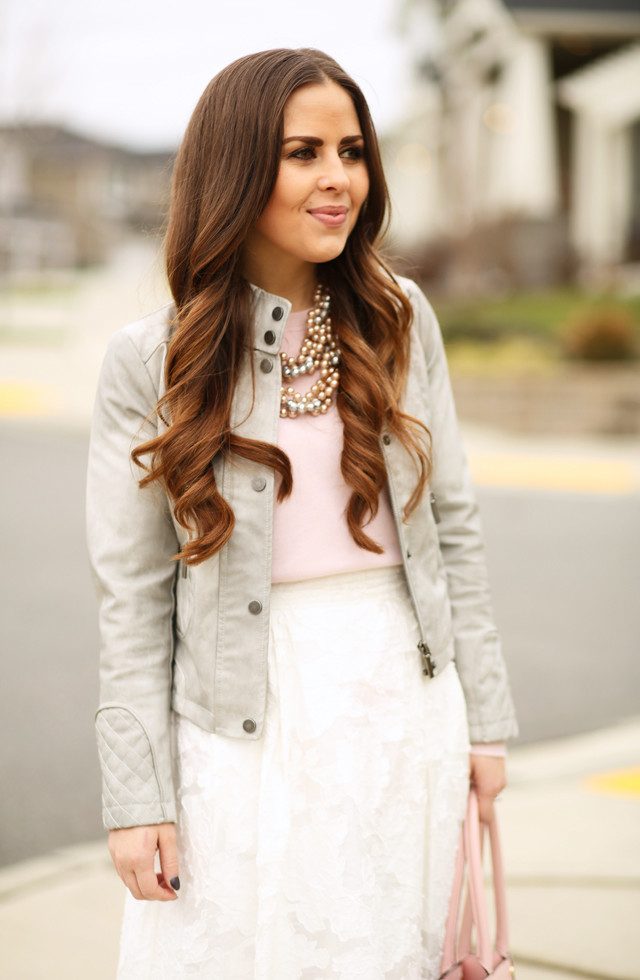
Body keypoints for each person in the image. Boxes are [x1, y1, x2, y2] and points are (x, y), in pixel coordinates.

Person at [87, 47, 517, 979]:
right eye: (304, 153)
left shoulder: (400, 318)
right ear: (238, 170)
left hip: (401, 705)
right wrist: (136, 795)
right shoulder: (152, 360)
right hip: (241, 719)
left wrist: (484, 721)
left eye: (352, 151)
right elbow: (129, 594)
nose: (339, 180)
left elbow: (455, 528)